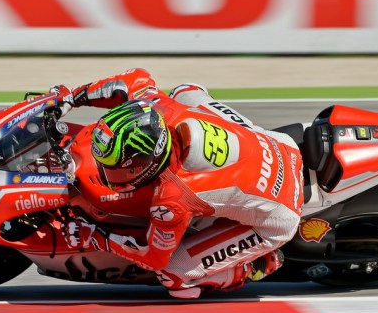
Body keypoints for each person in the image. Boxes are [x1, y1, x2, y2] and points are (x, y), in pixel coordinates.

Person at [52, 68, 304, 298]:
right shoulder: (160, 108)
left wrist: (95, 236)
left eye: (118, 167)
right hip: (280, 145)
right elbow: (134, 79)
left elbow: (153, 258)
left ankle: (254, 266)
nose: (107, 172)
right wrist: (70, 99)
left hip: (280, 213)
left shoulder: (172, 198)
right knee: (186, 91)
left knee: (172, 275)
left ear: (146, 161)